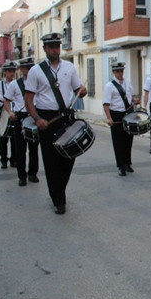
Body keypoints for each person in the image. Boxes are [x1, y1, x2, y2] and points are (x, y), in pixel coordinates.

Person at [24, 33, 87, 215]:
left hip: (67, 117)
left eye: (57, 46)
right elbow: (28, 99)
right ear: (44, 48)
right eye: (51, 46)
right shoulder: (36, 71)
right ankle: (58, 199)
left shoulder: (69, 67)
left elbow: (78, 90)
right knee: (51, 161)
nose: (54, 50)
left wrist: (82, 91)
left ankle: (59, 190)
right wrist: (37, 119)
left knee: (69, 157)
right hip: (47, 118)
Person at [2, 57, 39, 186]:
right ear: (21, 69)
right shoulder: (14, 84)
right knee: (20, 149)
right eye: (26, 68)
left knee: (34, 148)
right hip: (20, 117)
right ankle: (22, 176)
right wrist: (10, 113)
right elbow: (6, 100)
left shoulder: (38, 83)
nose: (28, 71)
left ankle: (33, 174)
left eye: (30, 68)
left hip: (34, 116)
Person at [103, 62, 136, 176]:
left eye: (121, 71)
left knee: (128, 140)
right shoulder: (109, 86)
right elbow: (106, 104)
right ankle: (120, 165)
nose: (120, 73)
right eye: (117, 71)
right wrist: (109, 118)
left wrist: (135, 100)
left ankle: (127, 163)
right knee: (118, 142)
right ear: (113, 72)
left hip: (128, 113)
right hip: (116, 114)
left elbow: (132, 97)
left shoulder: (128, 82)